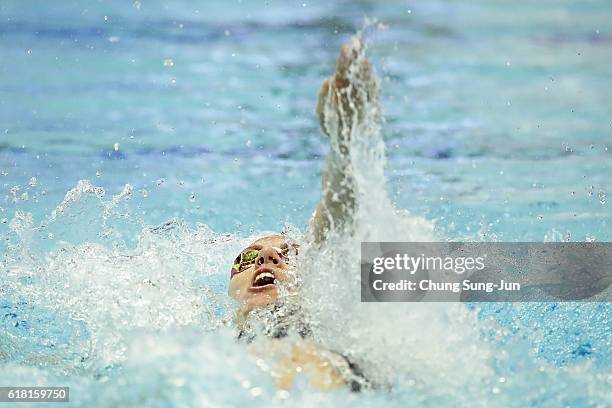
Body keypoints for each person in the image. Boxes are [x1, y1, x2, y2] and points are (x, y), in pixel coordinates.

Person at [228, 35, 379, 392]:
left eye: (289, 255)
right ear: (229, 286)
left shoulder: (328, 337)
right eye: (247, 258)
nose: (266, 256)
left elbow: (337, 217)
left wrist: (345, 145)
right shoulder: (193, 350)